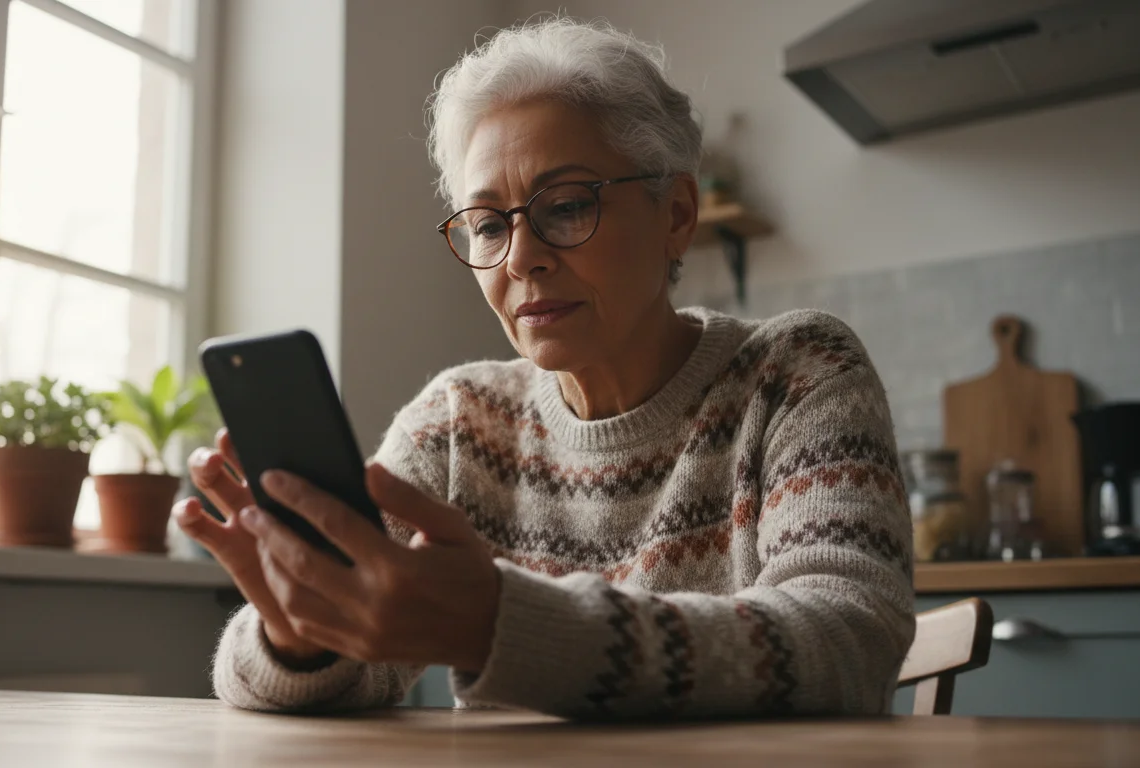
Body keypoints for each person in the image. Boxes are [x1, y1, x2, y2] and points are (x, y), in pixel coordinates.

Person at [175, 17, 914, 720]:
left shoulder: (799, 372)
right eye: (489, 224)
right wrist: (302, 630)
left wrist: (500, 624)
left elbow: (848, 636)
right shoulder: (462, 421)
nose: (520, 257)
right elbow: (306, 671)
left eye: (564, 206)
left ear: (676, 214)